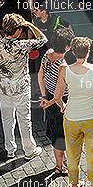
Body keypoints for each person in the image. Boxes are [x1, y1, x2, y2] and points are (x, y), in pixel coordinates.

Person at [55, 37, 93, 187]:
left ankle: (73, 184)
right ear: (88, 51)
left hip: (72, 118)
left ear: (73, 52)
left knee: (73, 154)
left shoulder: (64, 70)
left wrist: (63, 106)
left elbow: (57, 96)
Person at [0, 14, 47, 160]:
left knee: (6, 119)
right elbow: (43, 39)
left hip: (1, 87)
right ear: (18, 31)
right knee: (24, 119)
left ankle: (10, 149)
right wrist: (30, 24)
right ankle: (29, 150)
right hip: (20, 88)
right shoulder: (21, 45)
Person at [38, 29, 75, 177]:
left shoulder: (48, 54)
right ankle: (59, 167)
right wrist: (61, 106)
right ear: (67, 47)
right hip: (58, 102)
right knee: (61, 136)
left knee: (54, 130)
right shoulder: (63, 65)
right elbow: (59, 96)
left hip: (48, 96)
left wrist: (44, 96)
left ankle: (62, 160)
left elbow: (40, 76)